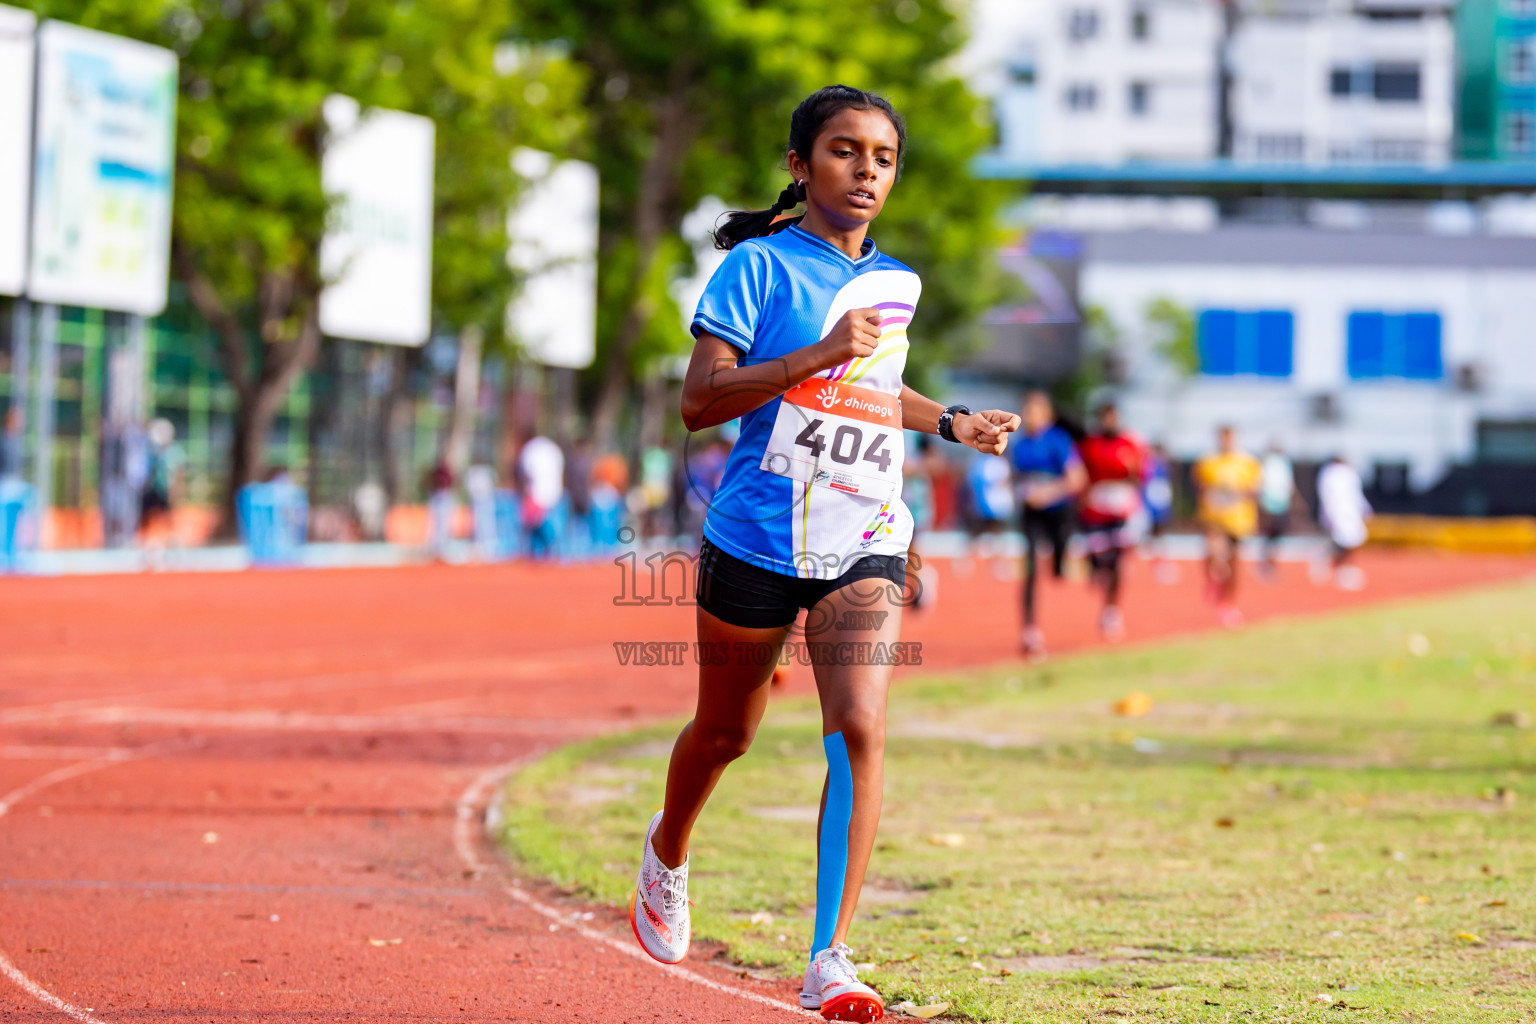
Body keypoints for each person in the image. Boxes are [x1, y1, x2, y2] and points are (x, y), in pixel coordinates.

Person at [628, 85, 1019, 1023]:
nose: (868, 173)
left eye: (883, 158)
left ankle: (830, 960)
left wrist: (954, 421)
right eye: (846, 152)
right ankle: (668, 851)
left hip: (866, 533)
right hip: (756, 536)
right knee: (726, 733)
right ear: (801, 167)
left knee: (860, 723)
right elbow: (701, 402)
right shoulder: (756, 270)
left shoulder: (898, 284)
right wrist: (817, 353)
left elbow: (876, 390)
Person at [1009, 390, 1085, 659]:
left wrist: (1048, 493)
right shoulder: (1019, 445)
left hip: (1059, 512)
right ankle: (1029, 629)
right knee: (1029, 567)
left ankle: (1060, 564)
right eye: (1026, 409)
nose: (1028, 415)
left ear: (1047, 414)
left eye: (1034, 410)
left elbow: (1077, 479)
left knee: (1058, 566)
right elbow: (1015, 478)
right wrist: (1017, 490)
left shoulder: (1059, 441)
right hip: (1032, 514)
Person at [1075, 402, 1143, 640]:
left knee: (1116, 563)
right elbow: (1081, 475)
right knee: (1099, 561)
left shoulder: (1130, 444)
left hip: (1120, 513)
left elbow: (1140, 477)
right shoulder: (1090, 445)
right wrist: (1084, 499)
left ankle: (1111, 610)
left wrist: (1132, 473)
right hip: (1095, 513)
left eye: (1113, 417)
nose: (1110, 422)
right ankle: (1095, 571)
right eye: (1106, 417)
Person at [1193, 424, 1262, 628]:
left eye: (1229, 437)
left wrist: (1236, 492)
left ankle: (1228, 604)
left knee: (1233, 565)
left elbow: (1255, 490)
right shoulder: (1207, 462)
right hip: (1214, 519)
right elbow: (1198, 487)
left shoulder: (1247, 462)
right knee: (1213, 555)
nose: (1226, 441)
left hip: (1238, 521)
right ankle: (1212, 579)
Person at [1316, 454, 1372, 590]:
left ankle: (1342, 567)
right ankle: (1339, 567)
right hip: (1338, 512)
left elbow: (1356, 494)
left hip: (1351, 512)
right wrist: (1329, 514)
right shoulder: (1330, 474)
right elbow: (1328, 496)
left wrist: (1365, 508)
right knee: (1342, 541)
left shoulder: (1348, 474)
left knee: (1353, 540)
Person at [1140, 440, 1178, 584]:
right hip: (1151, 505)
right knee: (1152, 533)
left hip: (1161, 504)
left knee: (1159, 533)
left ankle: (1159, 561)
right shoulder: (1149, 466)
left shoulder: (1164, 466)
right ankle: (1154, 563)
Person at [1258, 441, 1295, 578]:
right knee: (1270, 536)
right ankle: (1266, 564)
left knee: (1274, 537)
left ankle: (1269, 564)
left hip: (1280, 504)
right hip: (1270, 504)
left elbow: (1288, 485)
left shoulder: (1282, 463)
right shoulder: (1268, 463)